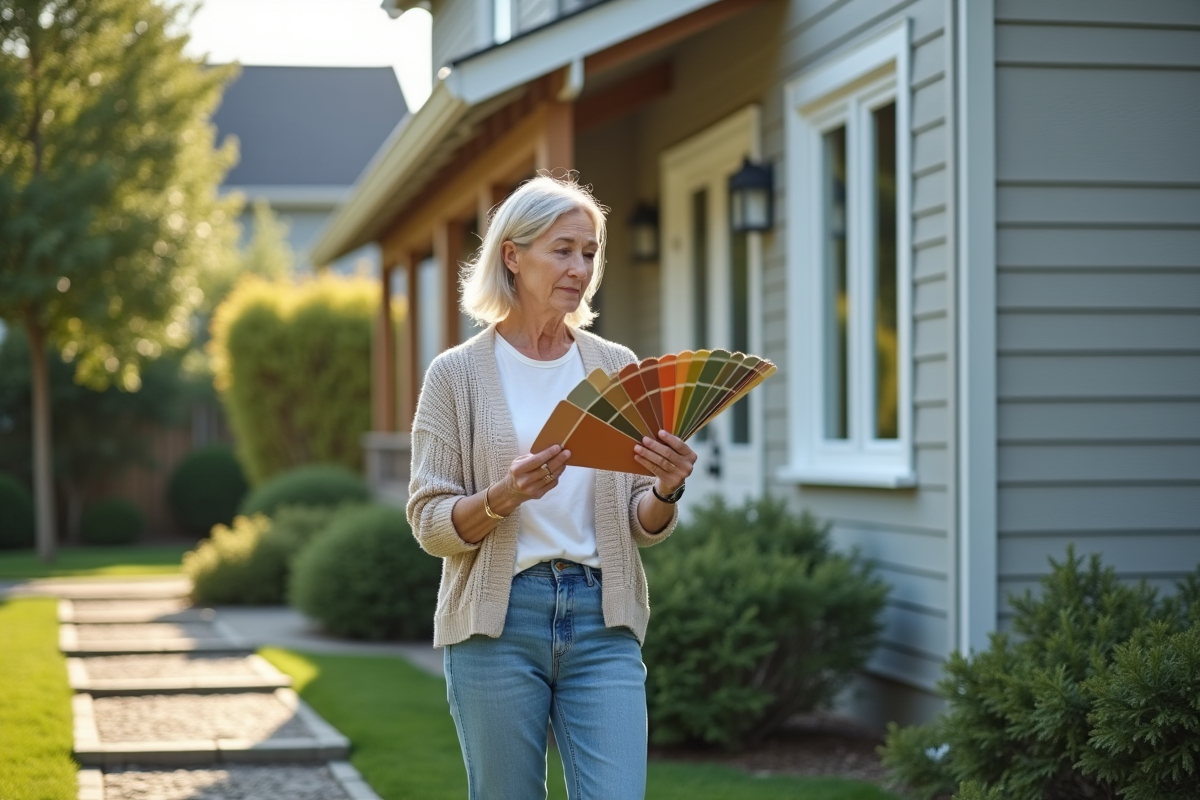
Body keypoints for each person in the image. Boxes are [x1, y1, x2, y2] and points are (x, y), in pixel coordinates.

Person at [407, 174, 697, 800]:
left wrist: (667, 489)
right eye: (562, 249)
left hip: (603, 619)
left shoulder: (615, 366)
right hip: (499, 624)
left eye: (590, 252)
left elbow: (636, 524)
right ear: (512, 254)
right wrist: (500, 498)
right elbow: (429, 522)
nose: (580, 268)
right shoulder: (455, 376)